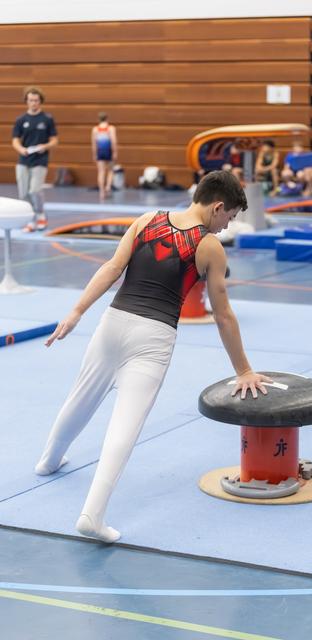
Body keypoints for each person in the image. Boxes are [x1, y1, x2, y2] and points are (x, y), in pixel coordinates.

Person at [35, 170, 272, 544]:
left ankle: (48, 461)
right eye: (230, 217)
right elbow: (223, 315)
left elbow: (112, 268)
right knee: (124, 428)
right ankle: (92, 516)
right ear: (218, 207)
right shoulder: (209, 246)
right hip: (154, 337)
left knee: (80, 399)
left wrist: (77, 311)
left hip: (111, 323)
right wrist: (243, 369)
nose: (228, 225)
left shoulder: (147, 220)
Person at [12, 86, 58, 232]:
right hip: (23, 160)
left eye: (36, 100)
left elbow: (54, 140)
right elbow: (15, 140)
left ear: (40, 101)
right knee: (24, 192)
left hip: (40, 160)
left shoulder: (47, 119)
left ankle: (40, 215)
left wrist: (45, 146)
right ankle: (30, 220)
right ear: (26, 101)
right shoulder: (21, 120)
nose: (33, 103)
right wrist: (21, 149)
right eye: (31, 100)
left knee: (34, 190)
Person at [91, 112, 118, 201]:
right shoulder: (110, 128)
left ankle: (102, 192)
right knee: (110, 170)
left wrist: (94, 154)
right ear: (107, 119)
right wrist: (115, 152)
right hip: (108, 150)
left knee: (101, 172)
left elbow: (94, 144)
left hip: (100, 151)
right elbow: (113, 141)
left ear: (99, 119)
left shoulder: (95, 129)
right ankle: (108, 186)